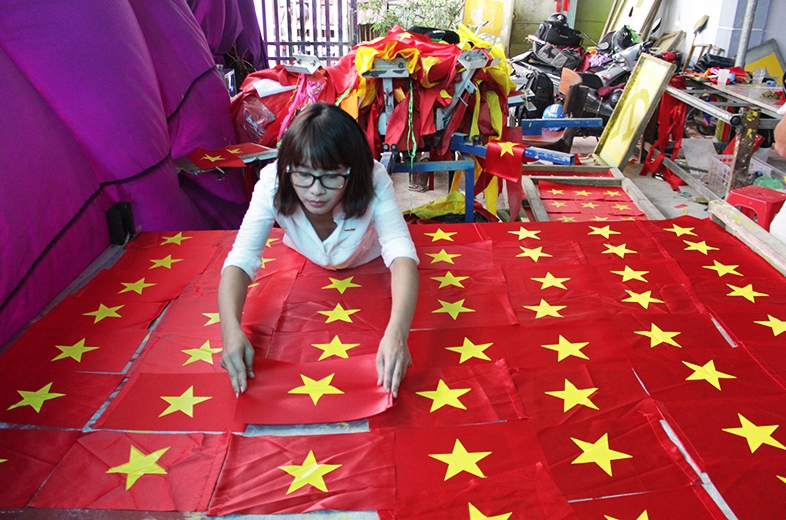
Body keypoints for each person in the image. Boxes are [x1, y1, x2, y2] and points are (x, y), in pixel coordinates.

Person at [218, 103, 420, 399]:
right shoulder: (273, 182)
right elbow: (241, 259)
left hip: (368, 264)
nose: (315, 190)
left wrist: (398, 333)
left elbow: (401, 254)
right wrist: (230, 330)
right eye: (303, 175)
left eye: (331, 176)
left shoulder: (374, 179)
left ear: (354, 172)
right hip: (304, 264)